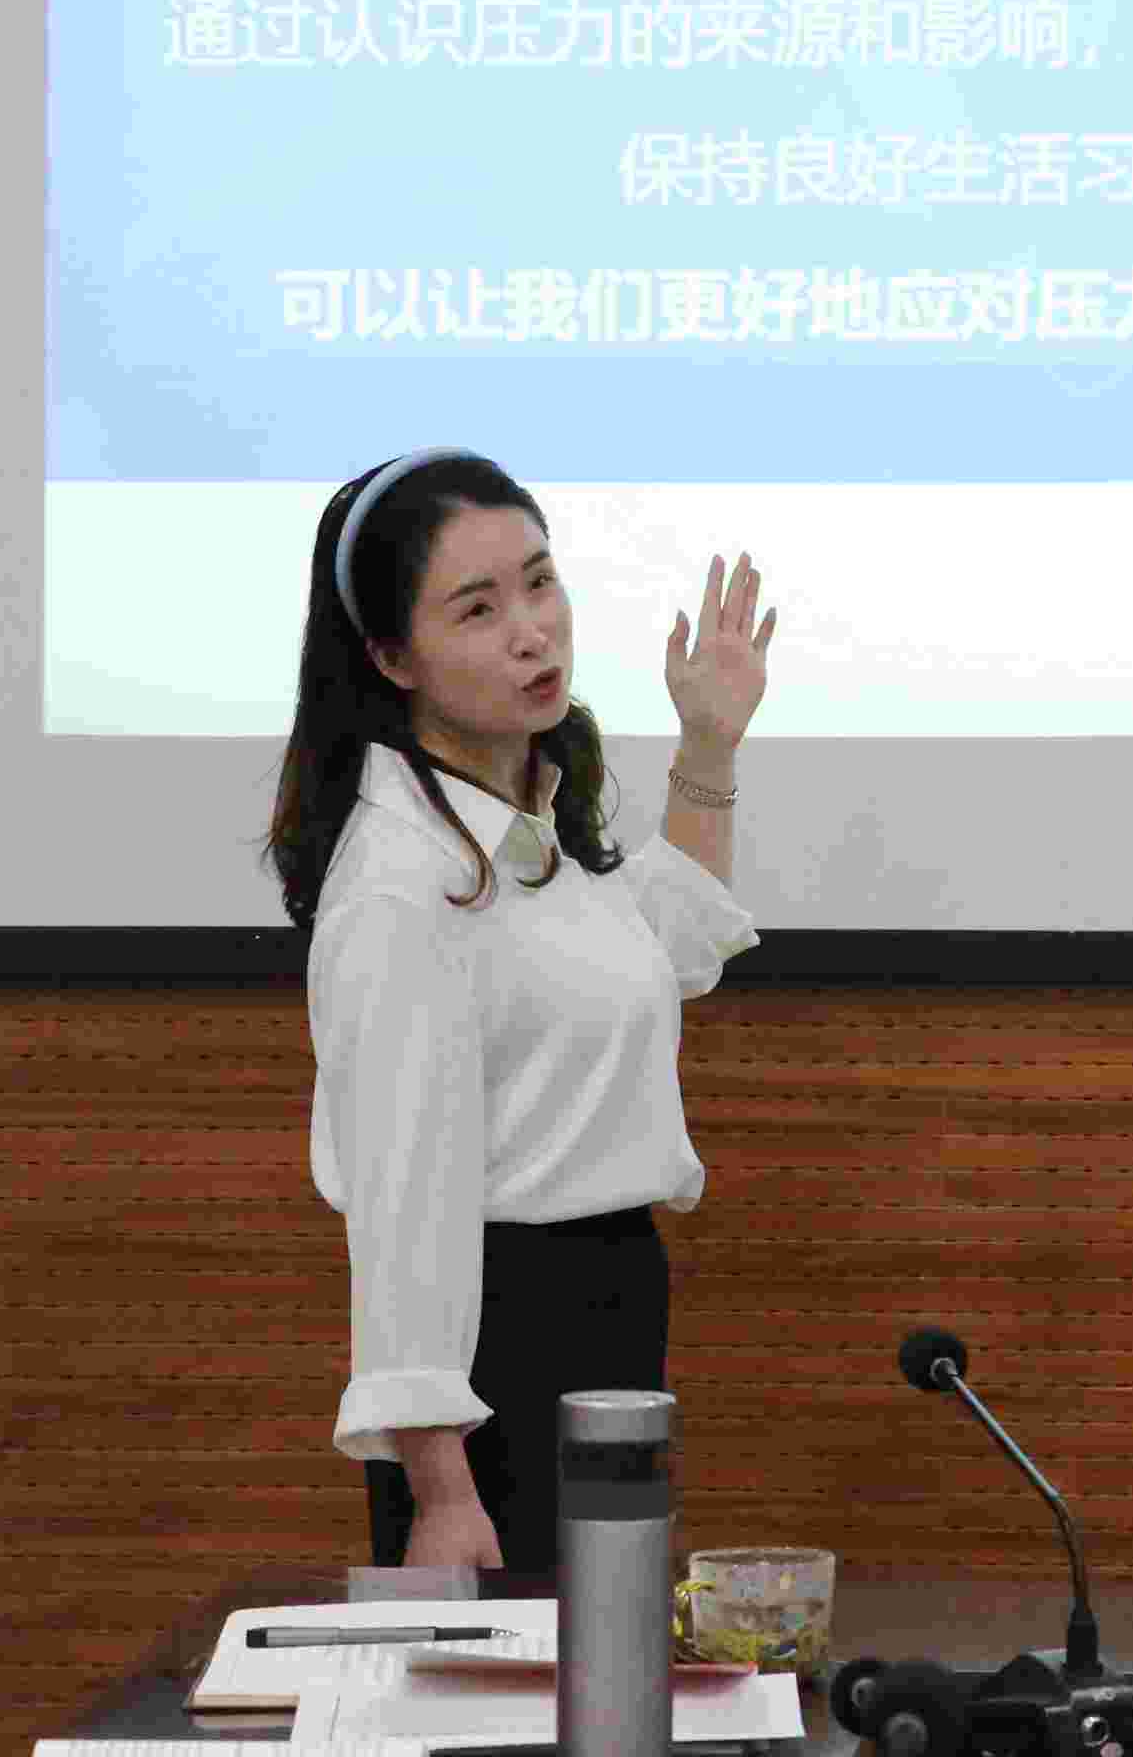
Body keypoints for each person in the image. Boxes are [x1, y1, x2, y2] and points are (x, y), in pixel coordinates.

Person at [265, 446, 774, 1572]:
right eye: (479, 608)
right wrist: (438, 1489)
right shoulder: (401, 884)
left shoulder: (521, 820)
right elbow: (404, 1206)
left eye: (541, 583)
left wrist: (708, 746)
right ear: (390, 656)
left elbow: (664, 954)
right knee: (523, 1671)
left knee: (608, 1662)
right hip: (500, 1361)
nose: (533, 631)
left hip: (606, 1310)